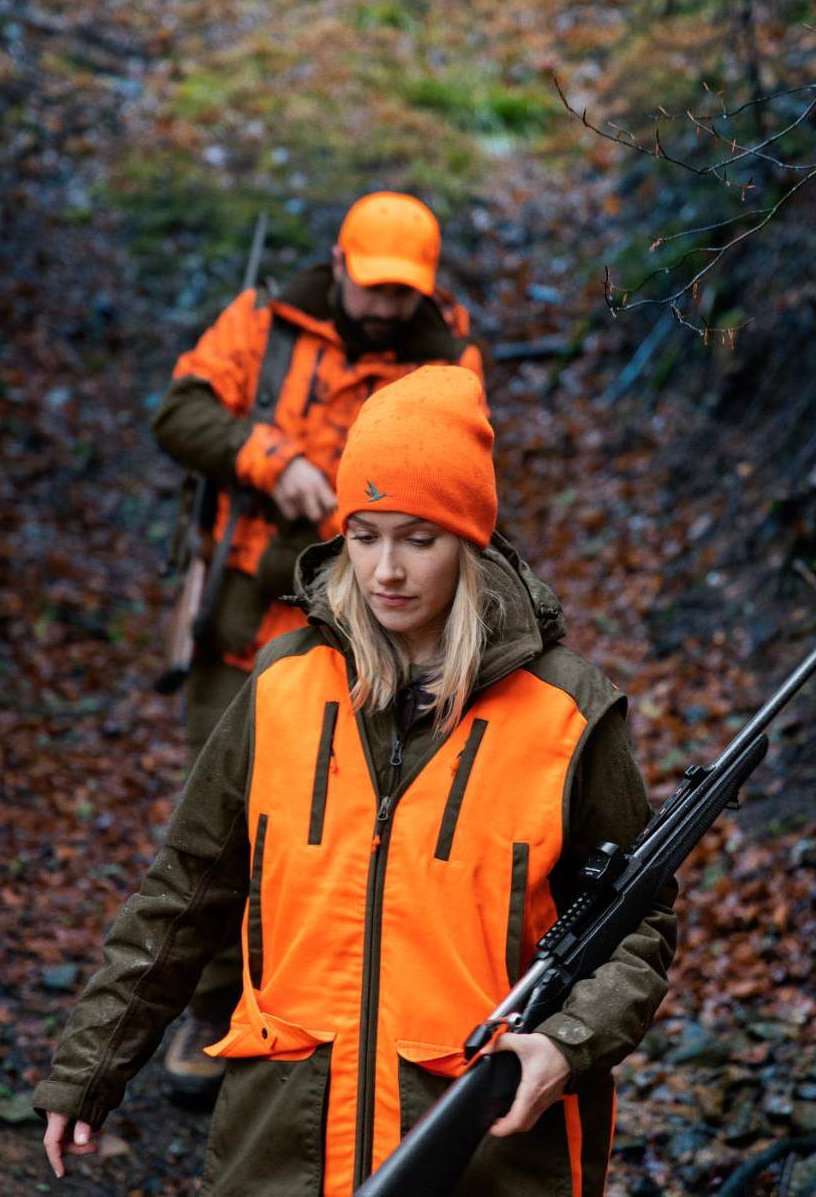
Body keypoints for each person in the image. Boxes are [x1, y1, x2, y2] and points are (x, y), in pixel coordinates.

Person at [35, 367, 677, 1196]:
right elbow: (184, 890)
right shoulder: (282, 684)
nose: (386, 571)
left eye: (419, 538)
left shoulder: (568, 711)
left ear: (470, 542)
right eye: (366, 534)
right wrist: (90, 1070)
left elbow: (639, 923)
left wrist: (571, 1042)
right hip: (280, 1147)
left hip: (486, 1157)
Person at [152, 191, 486, 1098]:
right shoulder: (261, 325)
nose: (386, 307)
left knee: (336, 835)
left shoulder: (449, 359)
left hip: (370, 640)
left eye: (402, 292)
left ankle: (315, 1020)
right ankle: (214, 1016)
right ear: (338, 266)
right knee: (223, 832)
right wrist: (272, 459)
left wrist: (351, 504)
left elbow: (457, 486)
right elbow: (179, 414)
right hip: (239, 628)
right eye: (373, 288)